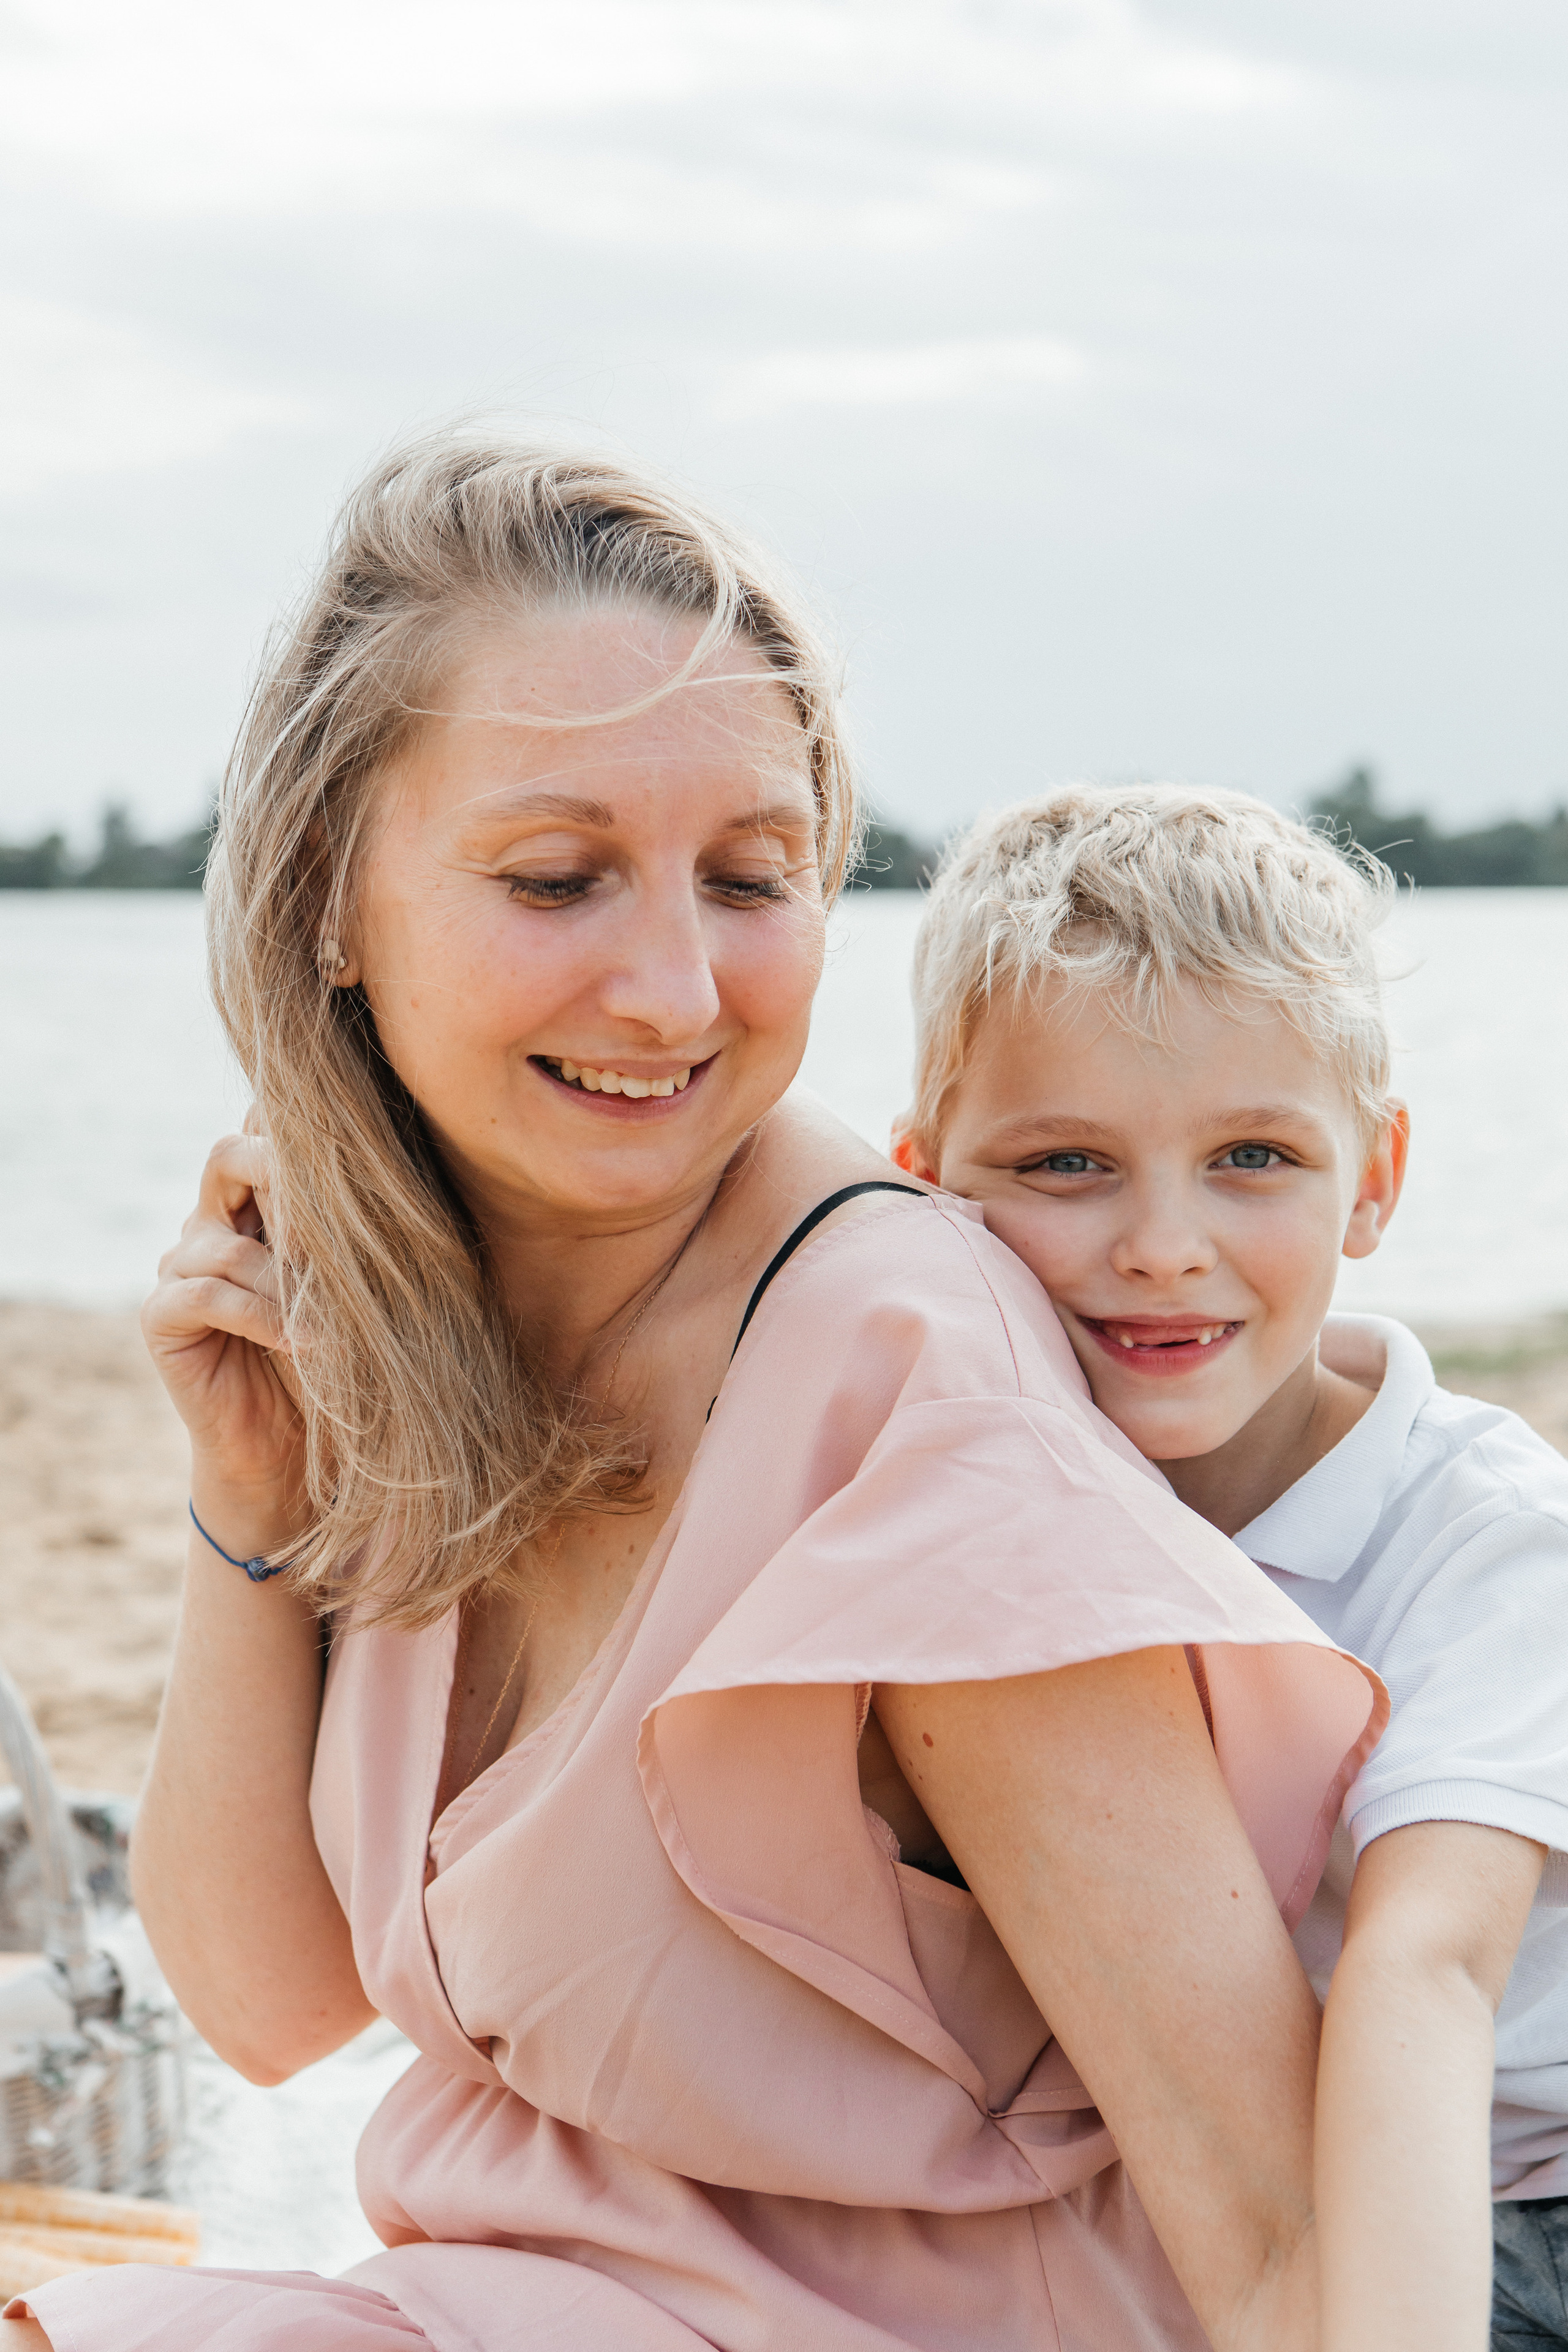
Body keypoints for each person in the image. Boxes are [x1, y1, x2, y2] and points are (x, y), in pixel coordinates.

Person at [6, 447, 1383, 2352]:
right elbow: (265, 2004)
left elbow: (1279, 2231)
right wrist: (253, 1497)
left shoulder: (904, 1399)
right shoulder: (422, 1313)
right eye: (561, 878)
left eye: (753, 879)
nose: (671, 991)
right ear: (331, 900)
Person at [893, 782, 1568, 2352]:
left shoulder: (1490, 1542)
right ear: (929, 1186)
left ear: (1375, 1181)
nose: (1161, 1245)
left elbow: (1425, 1972)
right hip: (1188, 2190)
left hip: (1496, 2207)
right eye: (1064, 1165)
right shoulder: (976, 1505)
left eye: (1252, 1156)